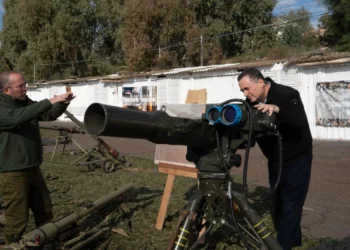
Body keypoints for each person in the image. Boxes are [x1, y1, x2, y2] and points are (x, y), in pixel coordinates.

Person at [237, 68, 313, 250]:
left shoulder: (287, 95)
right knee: (278, 206)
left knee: (290, 206)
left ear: (261, 83)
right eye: (242, 91)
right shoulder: (249, 104)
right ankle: (292, 241)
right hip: (275, 161)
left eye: (247, 89)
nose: (245, 94)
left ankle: (281, 246)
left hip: (297, 159)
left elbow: (298, 122)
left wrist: (277, 109)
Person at [0, 71, 75, 244]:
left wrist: (62, 103)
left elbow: (47, 114)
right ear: (6, 90)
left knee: (45, 210)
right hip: (12, 172)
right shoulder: (3, 107)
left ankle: (45, 241)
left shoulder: (23, 101)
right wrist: (50, 101)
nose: (25, 88)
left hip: (33, 167)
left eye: (25, 84)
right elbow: (18, 117)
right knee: (17, 218)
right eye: (21, 86)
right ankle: (14, 244)